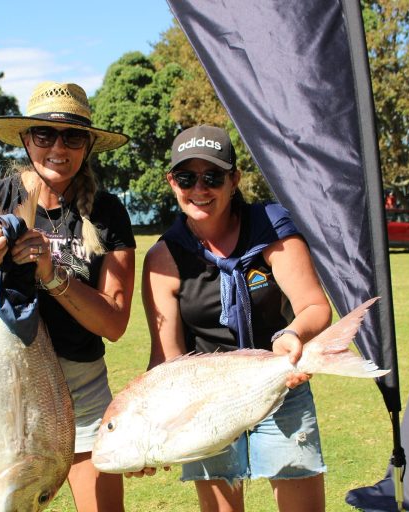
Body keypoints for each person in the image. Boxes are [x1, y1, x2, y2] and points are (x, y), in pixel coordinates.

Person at [0, 81, 135, 512]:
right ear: (27, 140)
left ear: (88, 145)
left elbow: (115, 324)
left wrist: (51, 274)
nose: (57, 148)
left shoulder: (108, 212)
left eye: (73, 137)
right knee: (13, 503)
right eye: (44, 135)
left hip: (79, 381)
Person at [136, 125, 332, 512]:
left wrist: (292, 335)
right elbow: (167, 360)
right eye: (186, 177)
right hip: (207, 403)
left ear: (234, 179)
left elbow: (314, 305)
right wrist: (146, 426)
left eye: (212, 177)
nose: (199, 189)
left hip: (280, 386)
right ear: (171, 182)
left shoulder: (270, 229)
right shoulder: (163, 258)